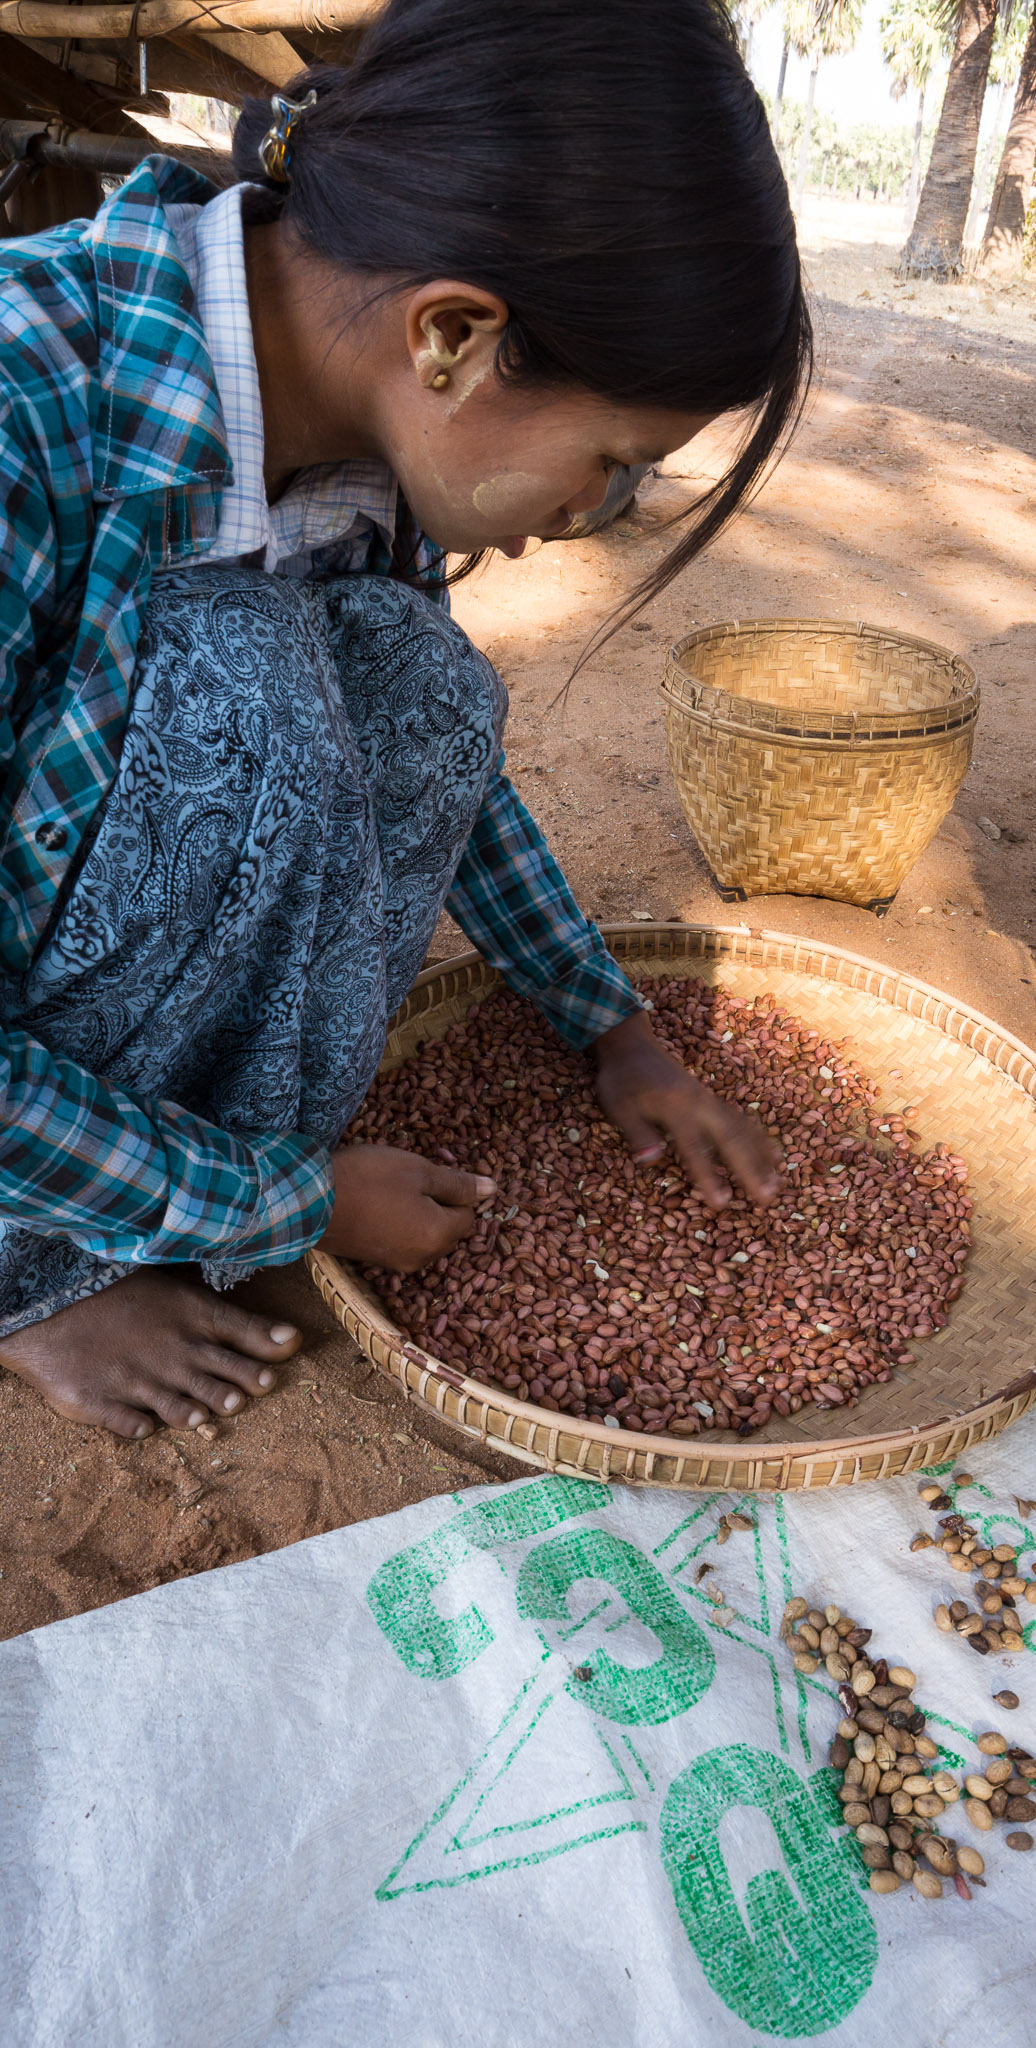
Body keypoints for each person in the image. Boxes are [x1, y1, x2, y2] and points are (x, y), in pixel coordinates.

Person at [0, 0, 810, 1440]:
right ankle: (40, 1268)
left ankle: (167, 1177)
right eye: (611, 467)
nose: (588, 517)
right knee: (249, 698)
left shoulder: (351, 423)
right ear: (454, 335)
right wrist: (287, 1201)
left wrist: (608, 1024)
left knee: (410, 674)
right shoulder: (24, 417)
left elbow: (440, 763)